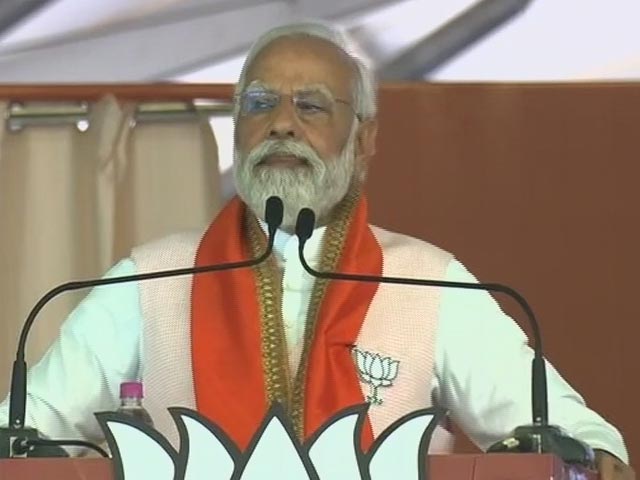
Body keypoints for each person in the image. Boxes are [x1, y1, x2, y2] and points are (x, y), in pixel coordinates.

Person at [0, 22, 634, 479]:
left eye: (311, 105)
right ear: (237, 127)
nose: (282, 123)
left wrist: (589, 457)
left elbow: (578, 437)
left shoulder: (429, 282)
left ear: (364, 139)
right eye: (259, 103)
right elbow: (25, 433)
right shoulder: (151, 277)